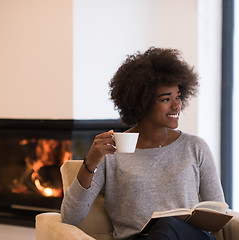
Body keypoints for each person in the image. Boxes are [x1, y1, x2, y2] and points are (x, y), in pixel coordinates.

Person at [61, 47, 225, 240]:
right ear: (142, 102)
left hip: (189, 237)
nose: (176, 105)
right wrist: (90, 163)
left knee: (169, 226)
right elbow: (70, 217)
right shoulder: (112, 153)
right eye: (166, 99)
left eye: (178, 96)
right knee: (164, 229)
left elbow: (218, 213)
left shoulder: (195, 147)